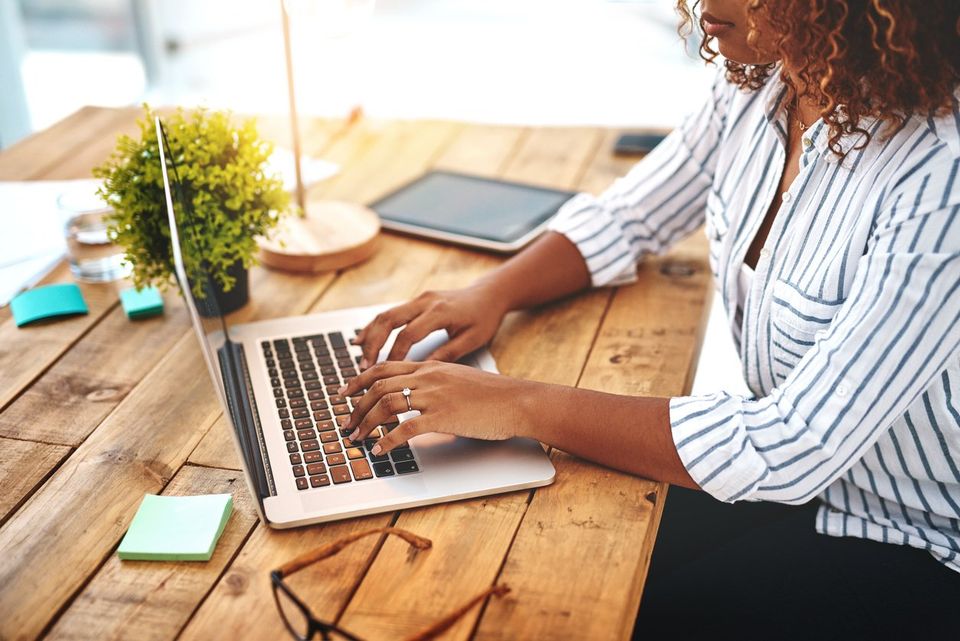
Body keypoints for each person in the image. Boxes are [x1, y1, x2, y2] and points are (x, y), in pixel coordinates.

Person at [339, 0, 960, 635]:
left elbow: (793, 443)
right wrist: (491, 293)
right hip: (789, 492)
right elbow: (632, 215)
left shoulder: (940, 182)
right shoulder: (771, 83)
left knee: (582, 615)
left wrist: (517, 403)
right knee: (525, 562)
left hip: (914, 539)